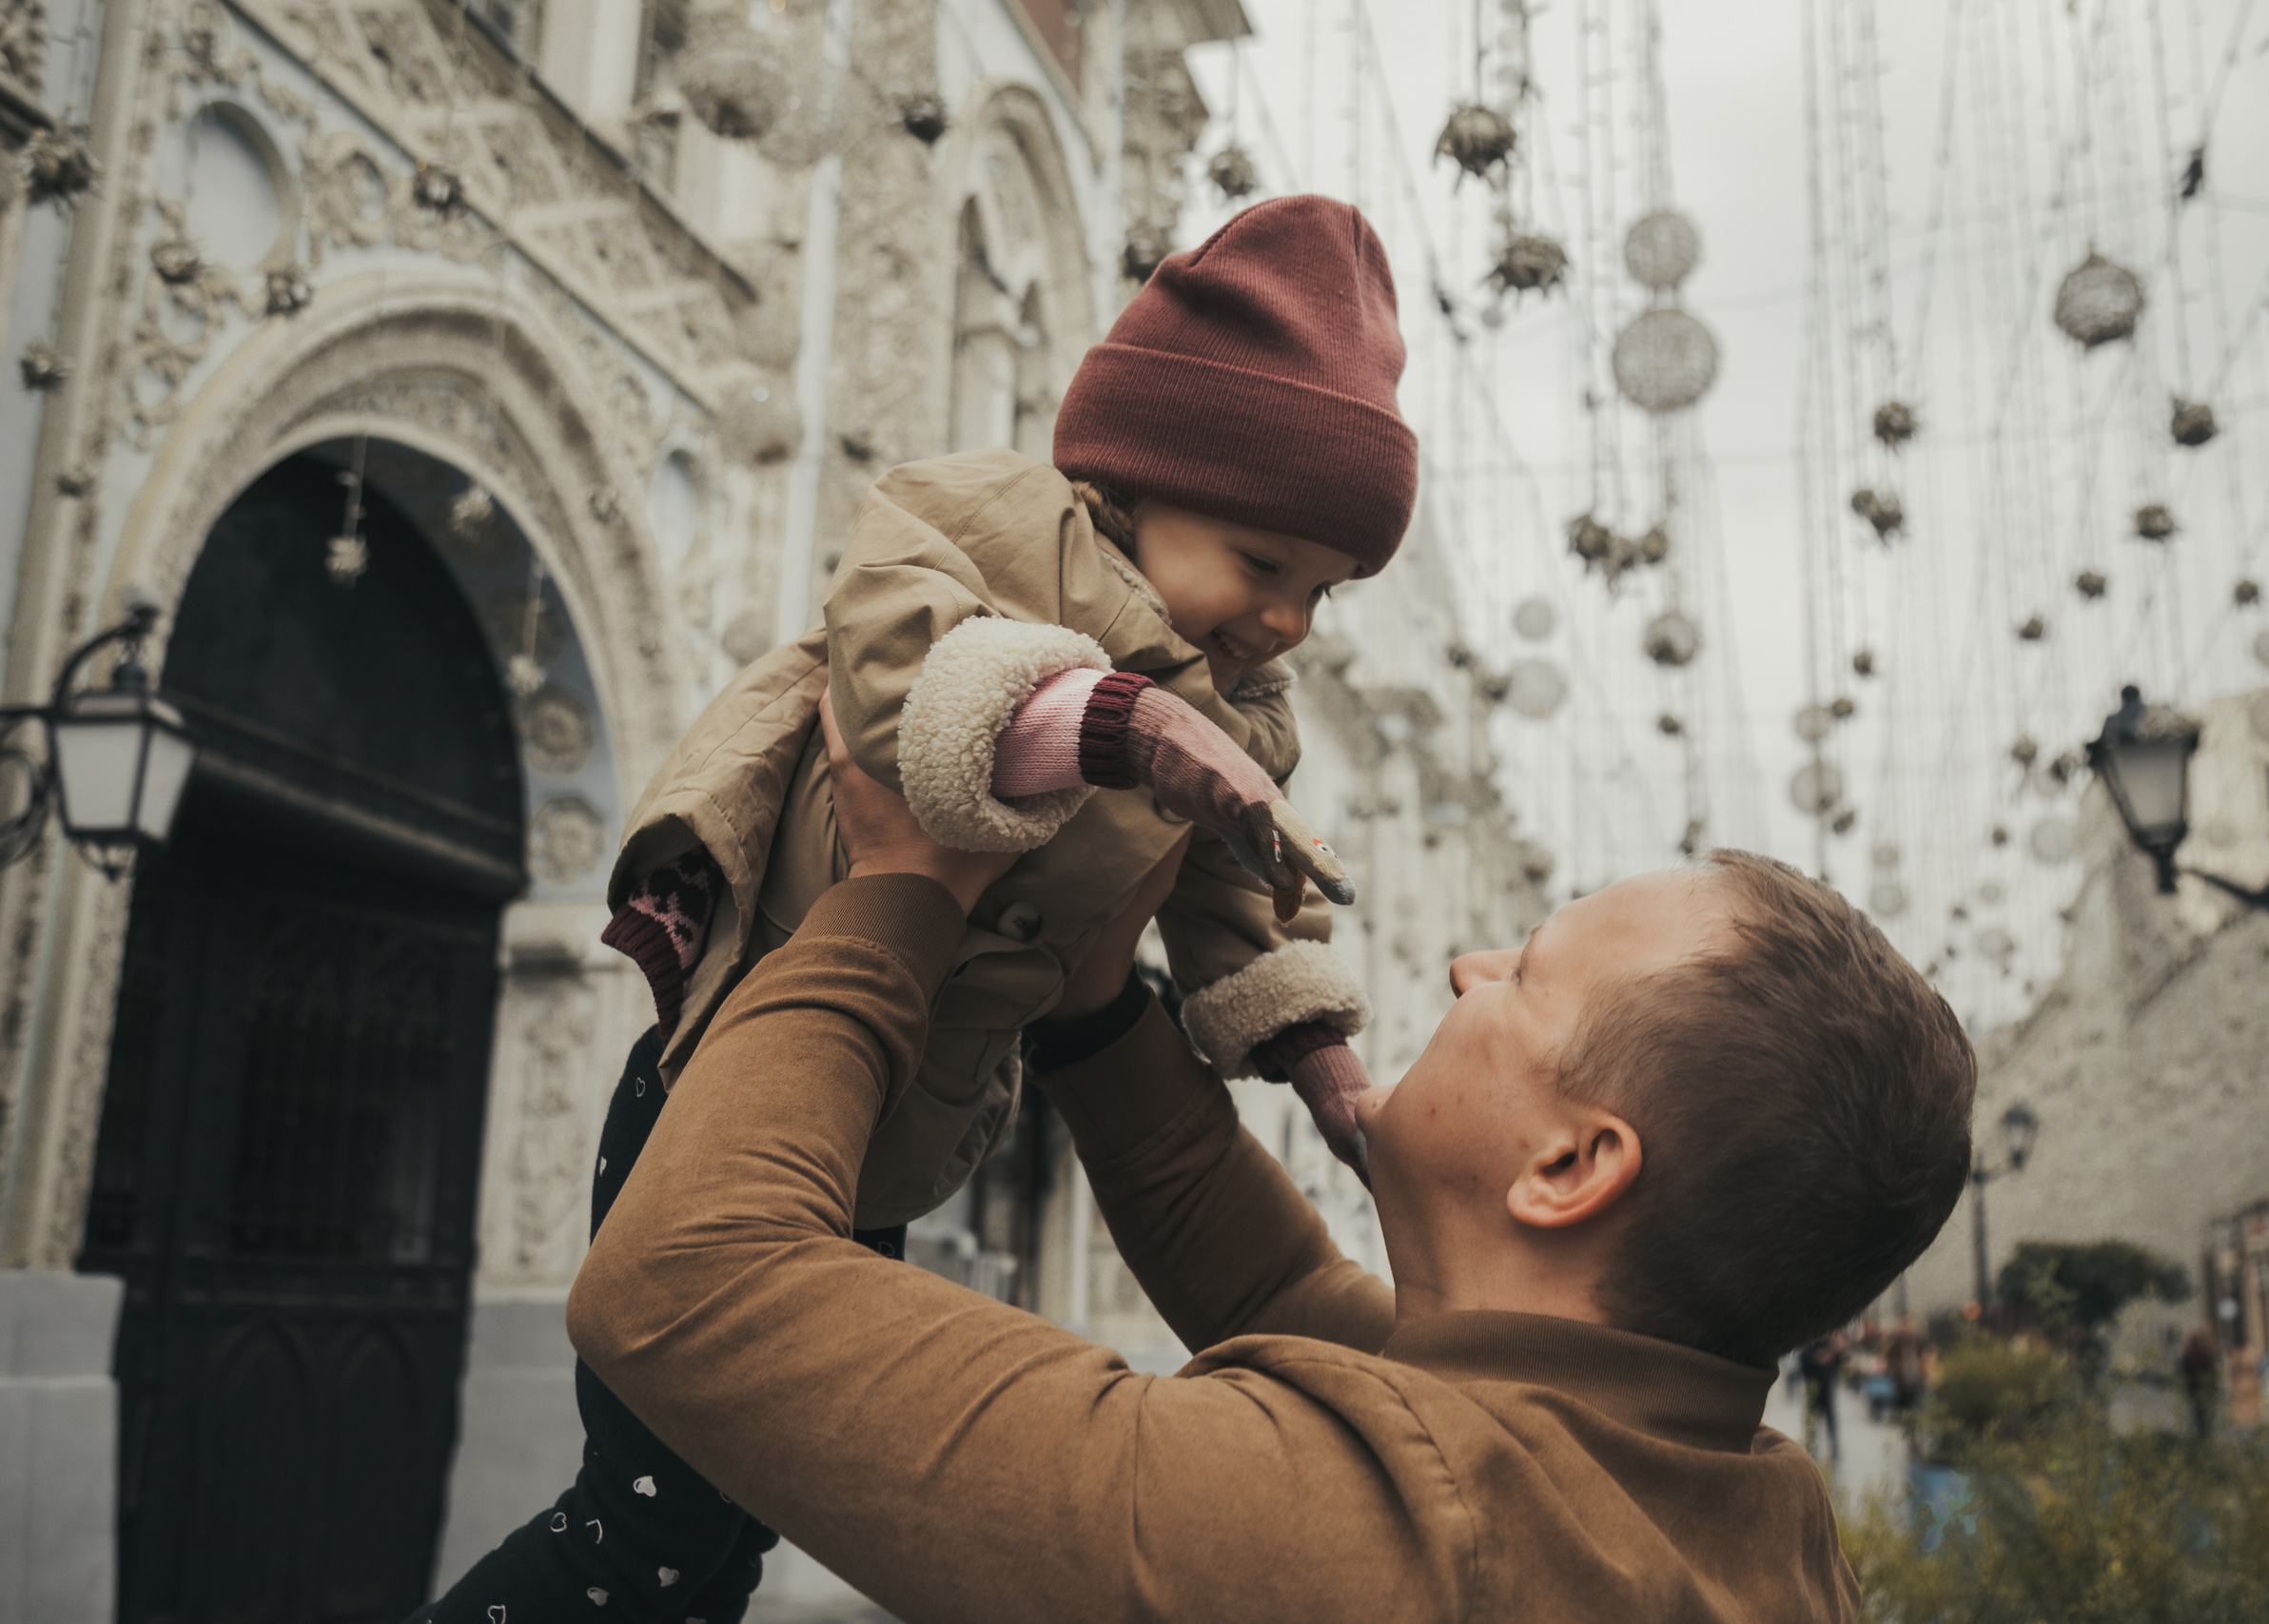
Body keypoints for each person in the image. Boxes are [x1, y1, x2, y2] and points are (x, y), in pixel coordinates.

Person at [415, 195, 1414, 1622]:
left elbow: (1234, 918)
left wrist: (1317, 1060)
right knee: (635, 1536)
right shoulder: (979, 521)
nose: (1290, 623)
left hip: (890, 1142)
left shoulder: (1248, 717)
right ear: (1138, 478)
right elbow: (905, 696)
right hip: (730, 1096)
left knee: (717, 1545)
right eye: (1267, 566)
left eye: (1325, 591)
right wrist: (1119, 726)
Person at [559, 702, 1981, 1622]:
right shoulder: (1732, 1492)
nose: (1467, 965)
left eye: (1528, 974)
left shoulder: (1385, 1546)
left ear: (1570, 1165)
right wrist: (1099, 1004)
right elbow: (1288, 1290)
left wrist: (897, 896)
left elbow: (687, 1281)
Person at [1800, 1332, 1850, 1461]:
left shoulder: (1831, 1344)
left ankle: (1834, 1444)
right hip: (1813, 1388)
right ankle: (1811, 1446)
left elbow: (1842, 1361)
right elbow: (1802, 1363)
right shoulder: (1810, 1343)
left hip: (1827, 1388)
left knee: (1830, 1418)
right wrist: (1817, 1358)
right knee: (1812, 1418)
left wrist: (1837, 1352)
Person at [2180, 1325, 2221, 1441]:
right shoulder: (2202, 1354)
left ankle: (2202, 1437)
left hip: (2196, 1389)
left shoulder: (2191, 1354)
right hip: (2202, 1389)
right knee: (2203, 1414)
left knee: (2199, 1414)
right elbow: (2211, 1371)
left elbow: (2184, 1372)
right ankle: (2204, 1437)